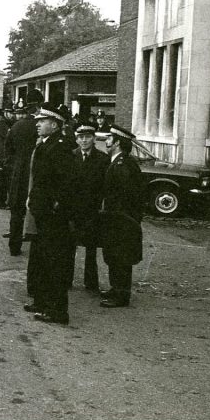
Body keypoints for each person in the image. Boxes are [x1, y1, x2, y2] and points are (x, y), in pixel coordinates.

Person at [22, 102, 76, 324]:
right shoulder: (47, 145)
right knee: (44, 260)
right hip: (43, 212)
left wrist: (55, 205)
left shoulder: (60, 147)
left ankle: (57, 310)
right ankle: (43, 303)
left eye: (42, 121)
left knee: (54, 262)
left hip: (53, 216)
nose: (37, 124)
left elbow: (66, 182)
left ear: (54, 124)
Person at [98, 124, 145, 308]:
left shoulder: (123, 164)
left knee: (121, 256)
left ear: (117, 143)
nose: (107, 141)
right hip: (116, 218)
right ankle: (115, 288)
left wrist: (118, 215)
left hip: (121, 219)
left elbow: (126, 195)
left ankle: (121, 294)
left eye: (110, 138)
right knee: (114, 254)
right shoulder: (118, 162)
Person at [67, 122, 108, 292]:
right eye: (81, 137)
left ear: (94, 139)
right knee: (69, 246)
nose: (84, 141)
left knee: (91, 247)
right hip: (73, 209)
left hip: (92, 209)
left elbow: (105, 187)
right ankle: (66, 279)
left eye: (88, 137)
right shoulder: (70, 156)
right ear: (76, 139)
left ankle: (91, 282)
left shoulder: (103, 159)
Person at [5, 89, 44, 256]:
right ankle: (36, 245)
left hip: (17, 172)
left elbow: (8, 150)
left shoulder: (15, 126)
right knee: (35, 209)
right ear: (39, 106)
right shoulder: (40, 127)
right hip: (33, 173)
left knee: (16, 210)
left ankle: (14, 245)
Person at [0, 105, 15, 209]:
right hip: (2, 155)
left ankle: (1, 201)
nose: (12, 115)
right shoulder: (2, 124)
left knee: (4, 178)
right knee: (4, 179)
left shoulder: (3, 123)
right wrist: (3, 156)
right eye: (10, 113)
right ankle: (0, 202)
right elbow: (3, 143)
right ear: (5, 113)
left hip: (2, 155)